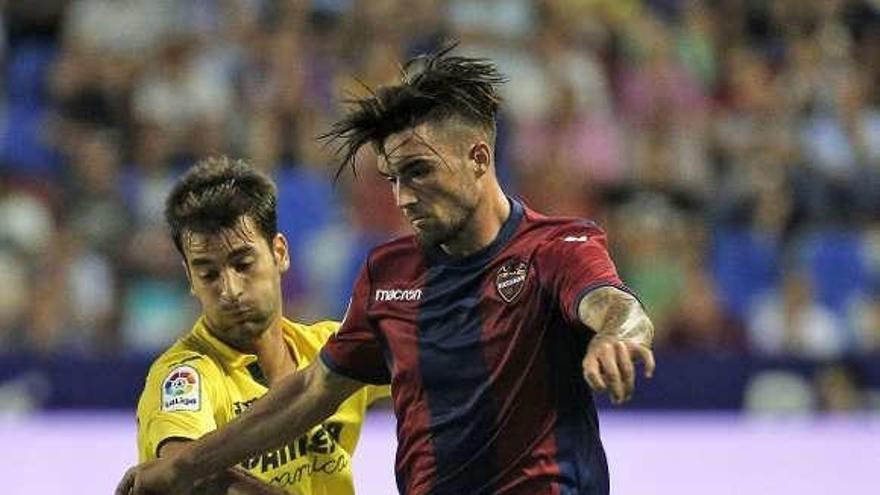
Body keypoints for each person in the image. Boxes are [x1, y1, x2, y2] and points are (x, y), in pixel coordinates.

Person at [118, 45, 656, 495]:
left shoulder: (556, 246)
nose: (403, 197)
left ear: (478, 158)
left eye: (419, 172)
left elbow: (615, 305)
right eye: (393, 177)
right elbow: (312, 393)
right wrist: (188, 466)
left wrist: (615, 336)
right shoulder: (388, 274)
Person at [133, 157, 389, 495]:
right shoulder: (185, 376)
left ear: (279, 253)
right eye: (208, 273)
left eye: (243, 263)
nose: (231, 290)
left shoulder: (330, 348)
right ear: (190, 278)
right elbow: (190, 479)